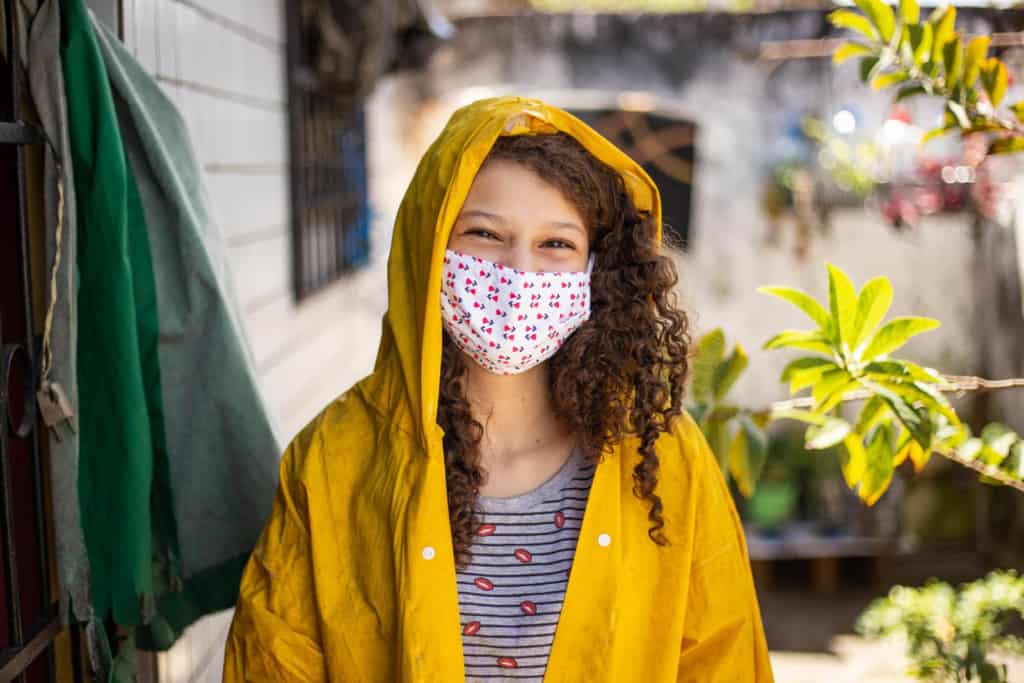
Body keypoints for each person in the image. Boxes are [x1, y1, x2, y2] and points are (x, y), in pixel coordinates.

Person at [223, 96, 774, 682]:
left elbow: (723, 659)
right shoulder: (337, 459)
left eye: (556, 243)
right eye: (485, 234)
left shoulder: (660, 459)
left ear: (599, 269)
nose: (520, 272)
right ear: (428, 247)